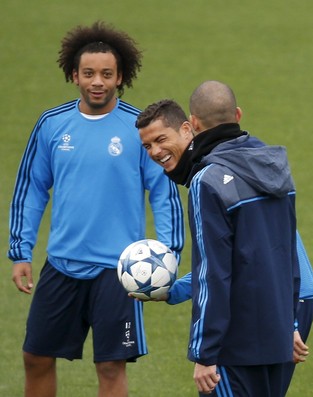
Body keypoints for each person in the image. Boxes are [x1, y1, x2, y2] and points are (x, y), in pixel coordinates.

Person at [8, 21, 184, 397]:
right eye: (88, 73)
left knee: (109, 366)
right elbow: (32, 189)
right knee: (35, 356)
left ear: (121, 77)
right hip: (61, 264)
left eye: (107, 74)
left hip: (119, 271)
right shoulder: (52, 125)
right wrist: (20, 251)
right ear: (74, 75)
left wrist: (168, 252)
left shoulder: (139, 129)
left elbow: (163, 191)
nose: (97, 81)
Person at [137, 82, 302, 396]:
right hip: (277, 338)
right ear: (237, 115)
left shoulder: (206, 181)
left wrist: (204, 352)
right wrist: (290, 324)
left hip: (233, 348)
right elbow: (288, 258)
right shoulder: (279, 171)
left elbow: (213, 271)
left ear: (194, 125)